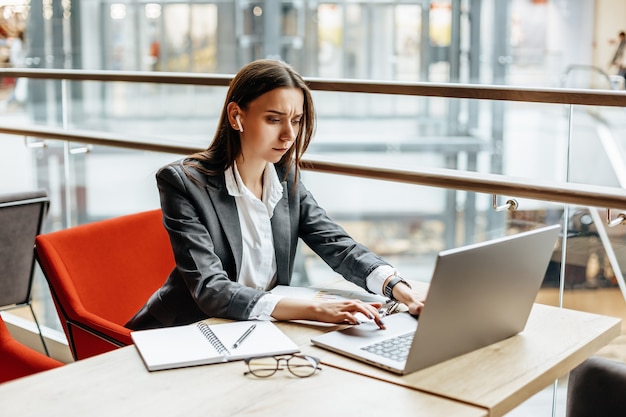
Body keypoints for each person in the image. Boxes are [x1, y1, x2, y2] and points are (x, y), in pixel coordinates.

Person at [126, 59, 425, 332]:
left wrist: (398, 288)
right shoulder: (184, 183)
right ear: (236, 116)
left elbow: (338, 246)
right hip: (186, 330)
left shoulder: (283, 178)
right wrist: (314, 309)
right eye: (273, 119)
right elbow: (210, 289)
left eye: (296, 120)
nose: (289, 135)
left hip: (257, 328)